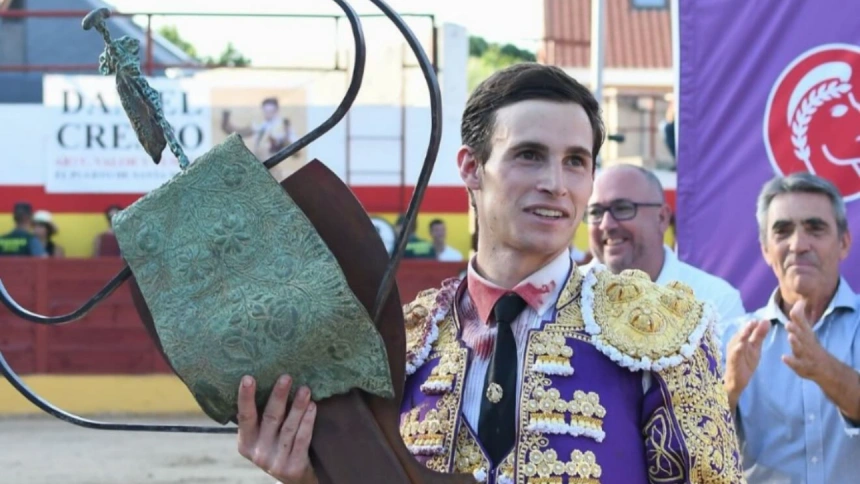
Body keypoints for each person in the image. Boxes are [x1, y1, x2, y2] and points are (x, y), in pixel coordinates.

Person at [235, 63, 744, 483]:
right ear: (471, 167)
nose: (555, 183)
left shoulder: (665, 332)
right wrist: (307, 479)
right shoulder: (407, 340)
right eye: (528, 155)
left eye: (575, 162)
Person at [721, 172, 860, 483]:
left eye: (815, 229)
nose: (798, 244)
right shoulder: (732, 340)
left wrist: (825, 369)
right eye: (783, 231)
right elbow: (697, 453)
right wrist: (729, 389)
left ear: (844, 243)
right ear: (766, 249)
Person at [583, 164, 747, 332]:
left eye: (622, 208)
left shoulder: (714, 302)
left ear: (662, 218)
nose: (606, 224)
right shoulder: (566, 295)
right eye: (595, 212)